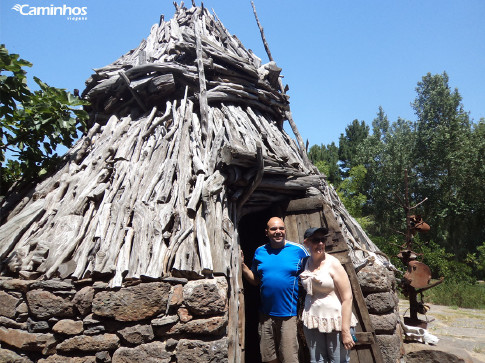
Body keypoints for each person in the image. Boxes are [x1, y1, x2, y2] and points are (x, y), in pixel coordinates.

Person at [241, 217, 309, 363]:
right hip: (265, 315)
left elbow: (312, 273)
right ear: (267, 232)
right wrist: (243, 266)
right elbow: (256, 280)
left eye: (281, 228)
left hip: (288, 315)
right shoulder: (260, 251)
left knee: (289, 357)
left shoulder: (298, 251)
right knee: (268, 357)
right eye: (273, 229)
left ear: (285, 230)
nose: (278, 232)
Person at [300, 227, 358, 363]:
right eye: (316, 240)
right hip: (313, 321)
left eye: (323, 240)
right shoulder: (305, 263)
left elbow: (347, 298)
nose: (320, 243)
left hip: (336, 322)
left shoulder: (334, 264)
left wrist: (345, 331)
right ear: (307, 243)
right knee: (317, 361)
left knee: (338, 361)